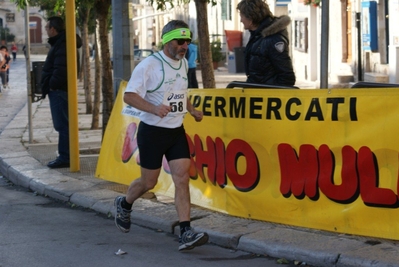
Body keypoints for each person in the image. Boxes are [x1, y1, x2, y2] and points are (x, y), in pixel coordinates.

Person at [114, 20, 209, 251]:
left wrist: (191, 109)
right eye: (180, 41)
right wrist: (154, 108)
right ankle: (124, 204)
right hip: (152, 133)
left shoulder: (184, 63)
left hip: (176, 131)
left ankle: (186, 231)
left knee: (182, 178)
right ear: (167, 41)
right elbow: (129, 96)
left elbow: (179, 92)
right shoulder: (149, 65)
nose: (184, 46)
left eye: (187, 41)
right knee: (149, 181)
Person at [40, 16, 82, 169]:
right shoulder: (63, 42)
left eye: (47, 27)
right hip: (60, 90)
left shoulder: (62, 44)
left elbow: (61, 70)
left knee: (62, 125)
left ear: (53, 29)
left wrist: (52, 85)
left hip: (59, 91)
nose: (45, 30)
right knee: (64, 124)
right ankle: (66, 155)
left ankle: (65, 157)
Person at [236, 0, 296, 87]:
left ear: (251, 18)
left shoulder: (273, 39)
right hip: (258, 95)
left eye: (242, 16)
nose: (241, 20)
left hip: (266, 97)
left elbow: (287, 77)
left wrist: (270, 96)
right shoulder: (257, 36)